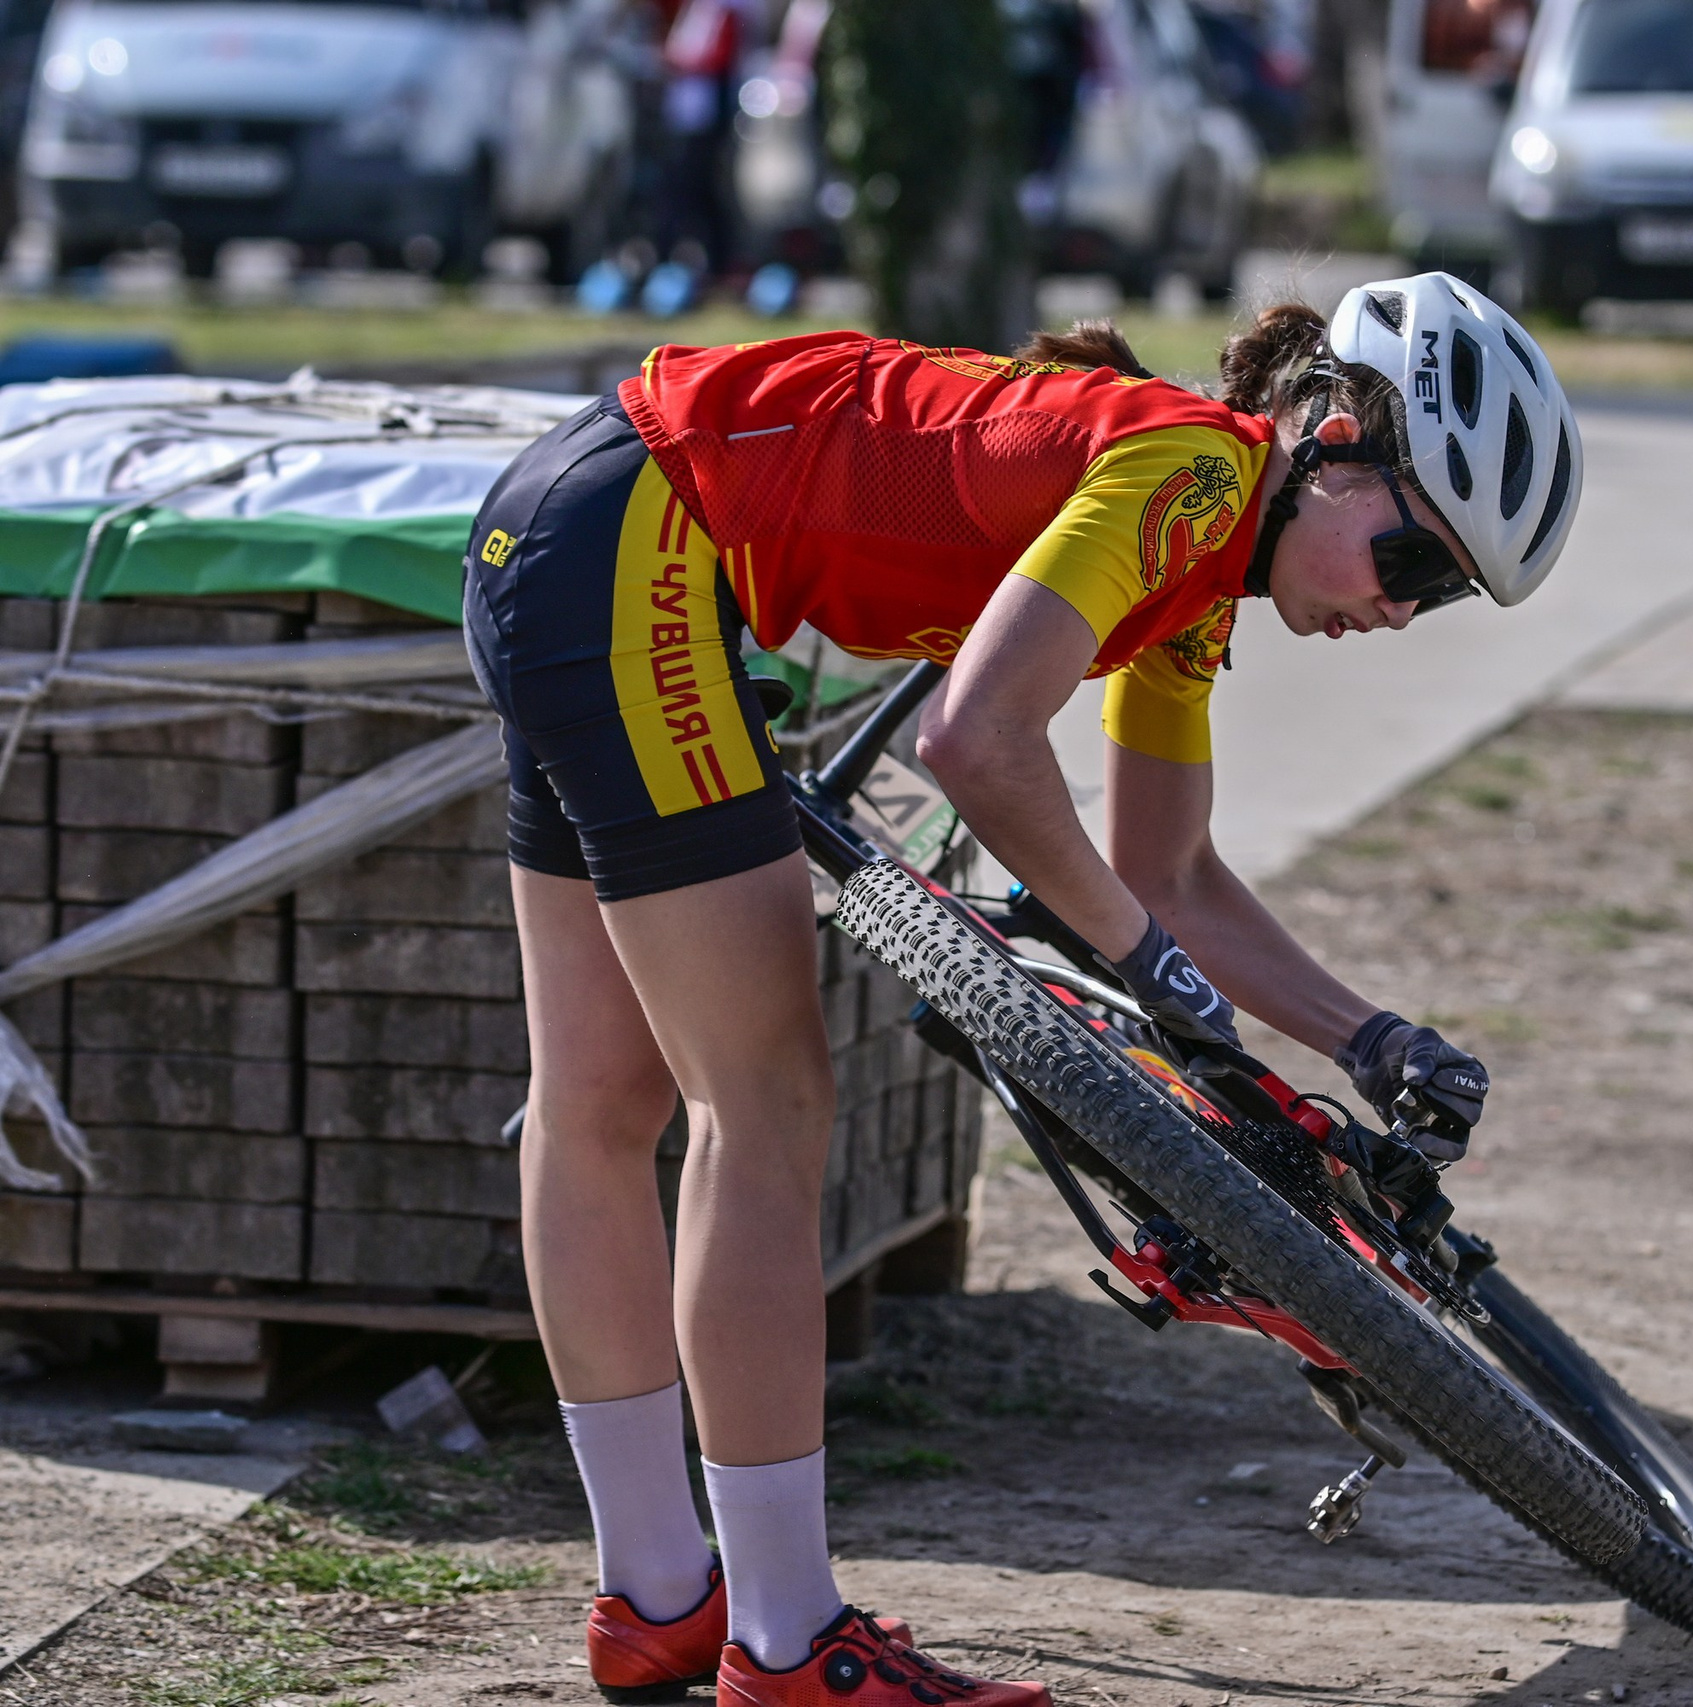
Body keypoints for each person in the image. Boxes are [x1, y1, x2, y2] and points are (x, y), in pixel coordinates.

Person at [461, 272, 1583, 1707]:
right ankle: (790, 1643)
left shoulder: (1200, 568)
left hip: (566, 523)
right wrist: (1143, 965)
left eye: (1447, 602)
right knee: (766, 1101)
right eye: (1418, 566)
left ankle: (658, 1603)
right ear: (1335, 439)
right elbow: (977, 741)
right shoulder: (1192, 471)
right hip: (631, 543)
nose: (1406, 612)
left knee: (603, 1102)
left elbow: (1164, 876)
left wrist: (1367, 1036)